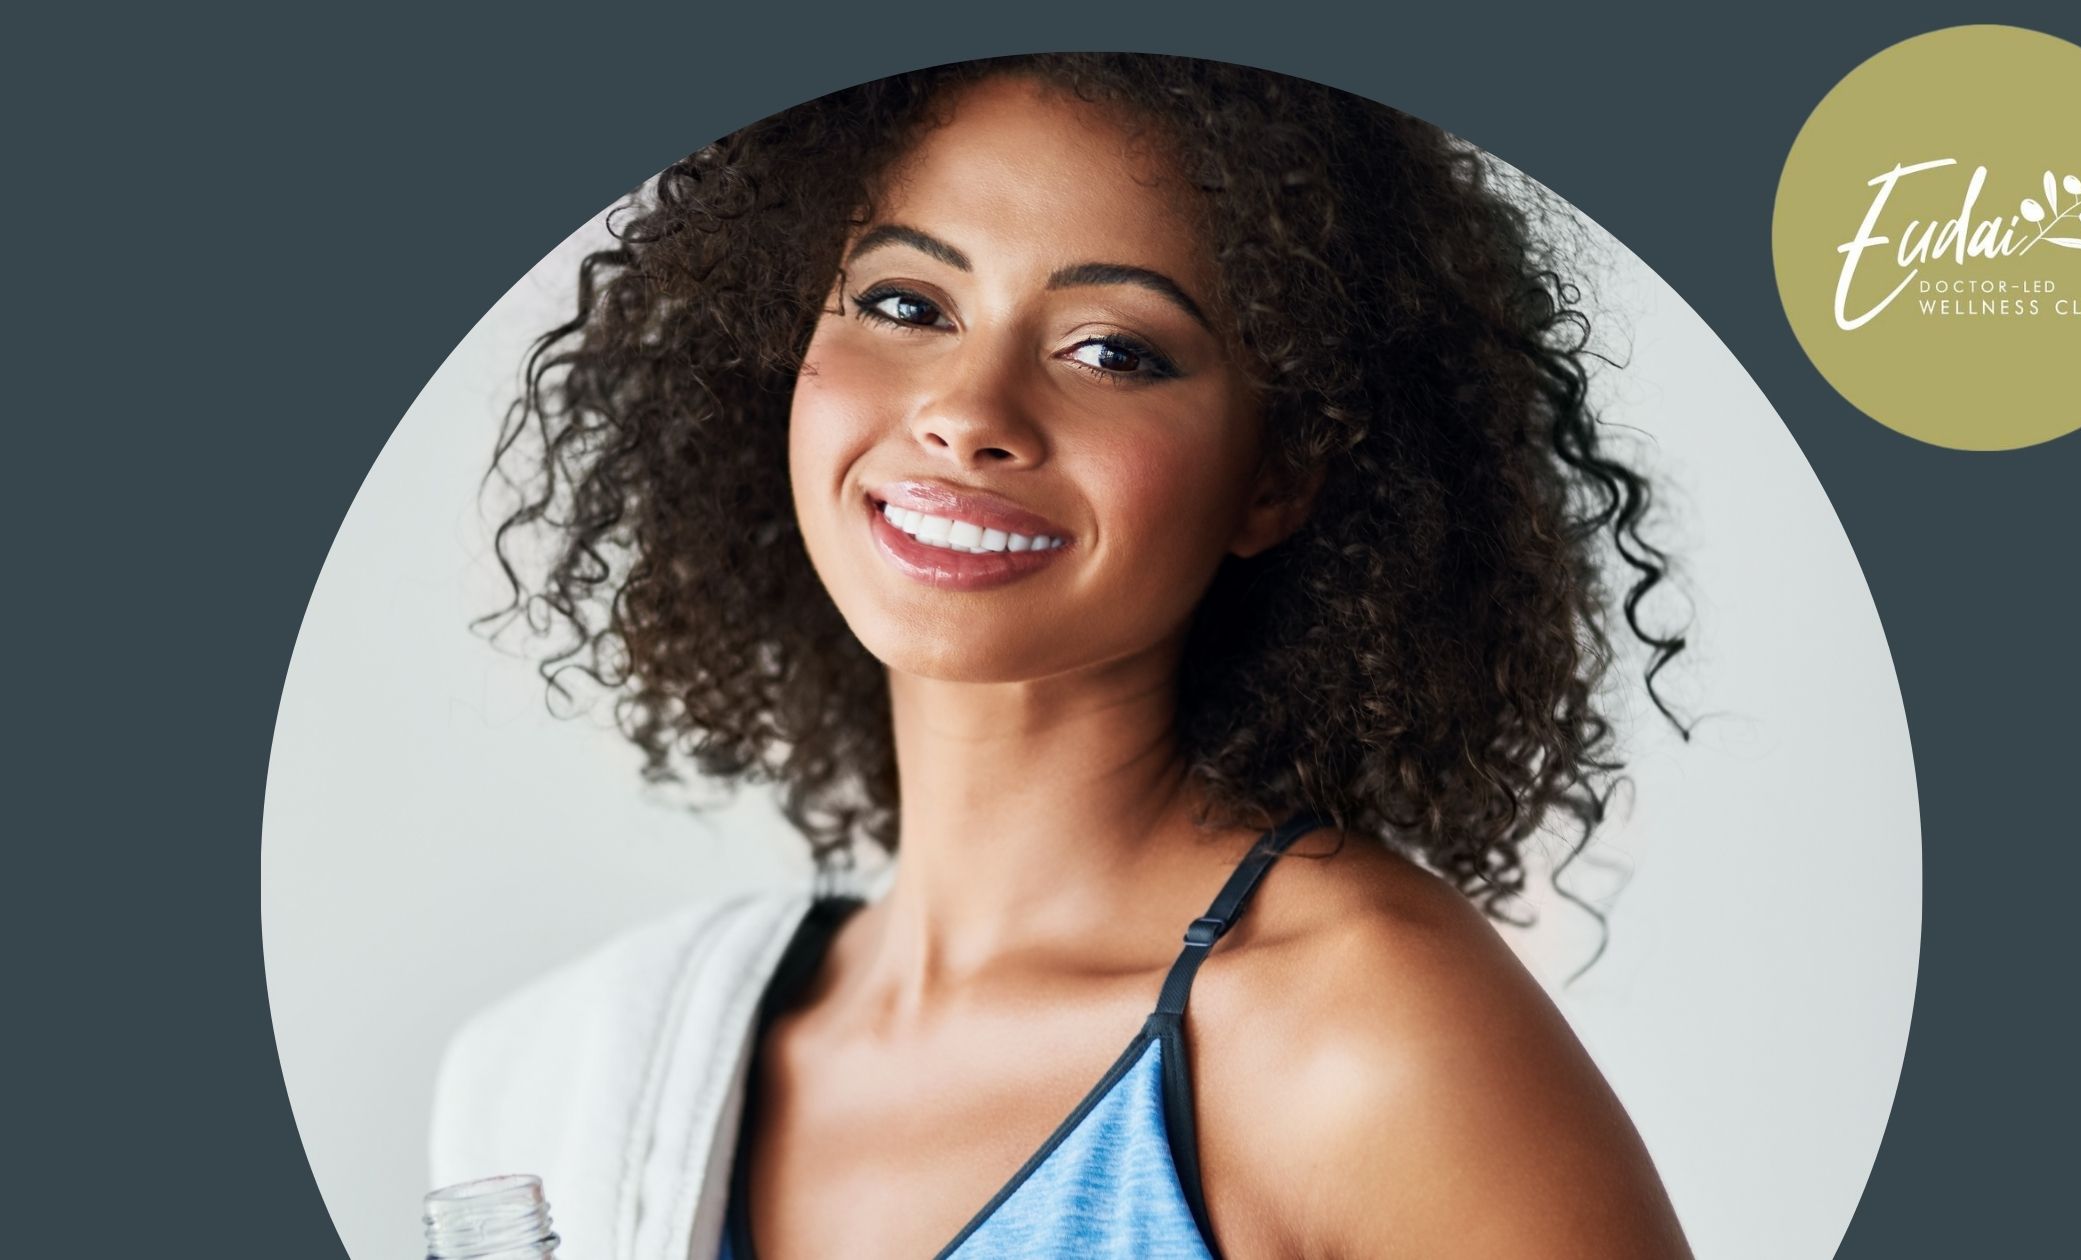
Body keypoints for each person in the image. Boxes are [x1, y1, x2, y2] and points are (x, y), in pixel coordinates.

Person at [433, 53, 1695, 1259]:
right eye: (904, 303)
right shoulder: (580, 1069)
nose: (968, 414)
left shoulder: (1361, 1041)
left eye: (1112, 351)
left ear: (1278, 472)